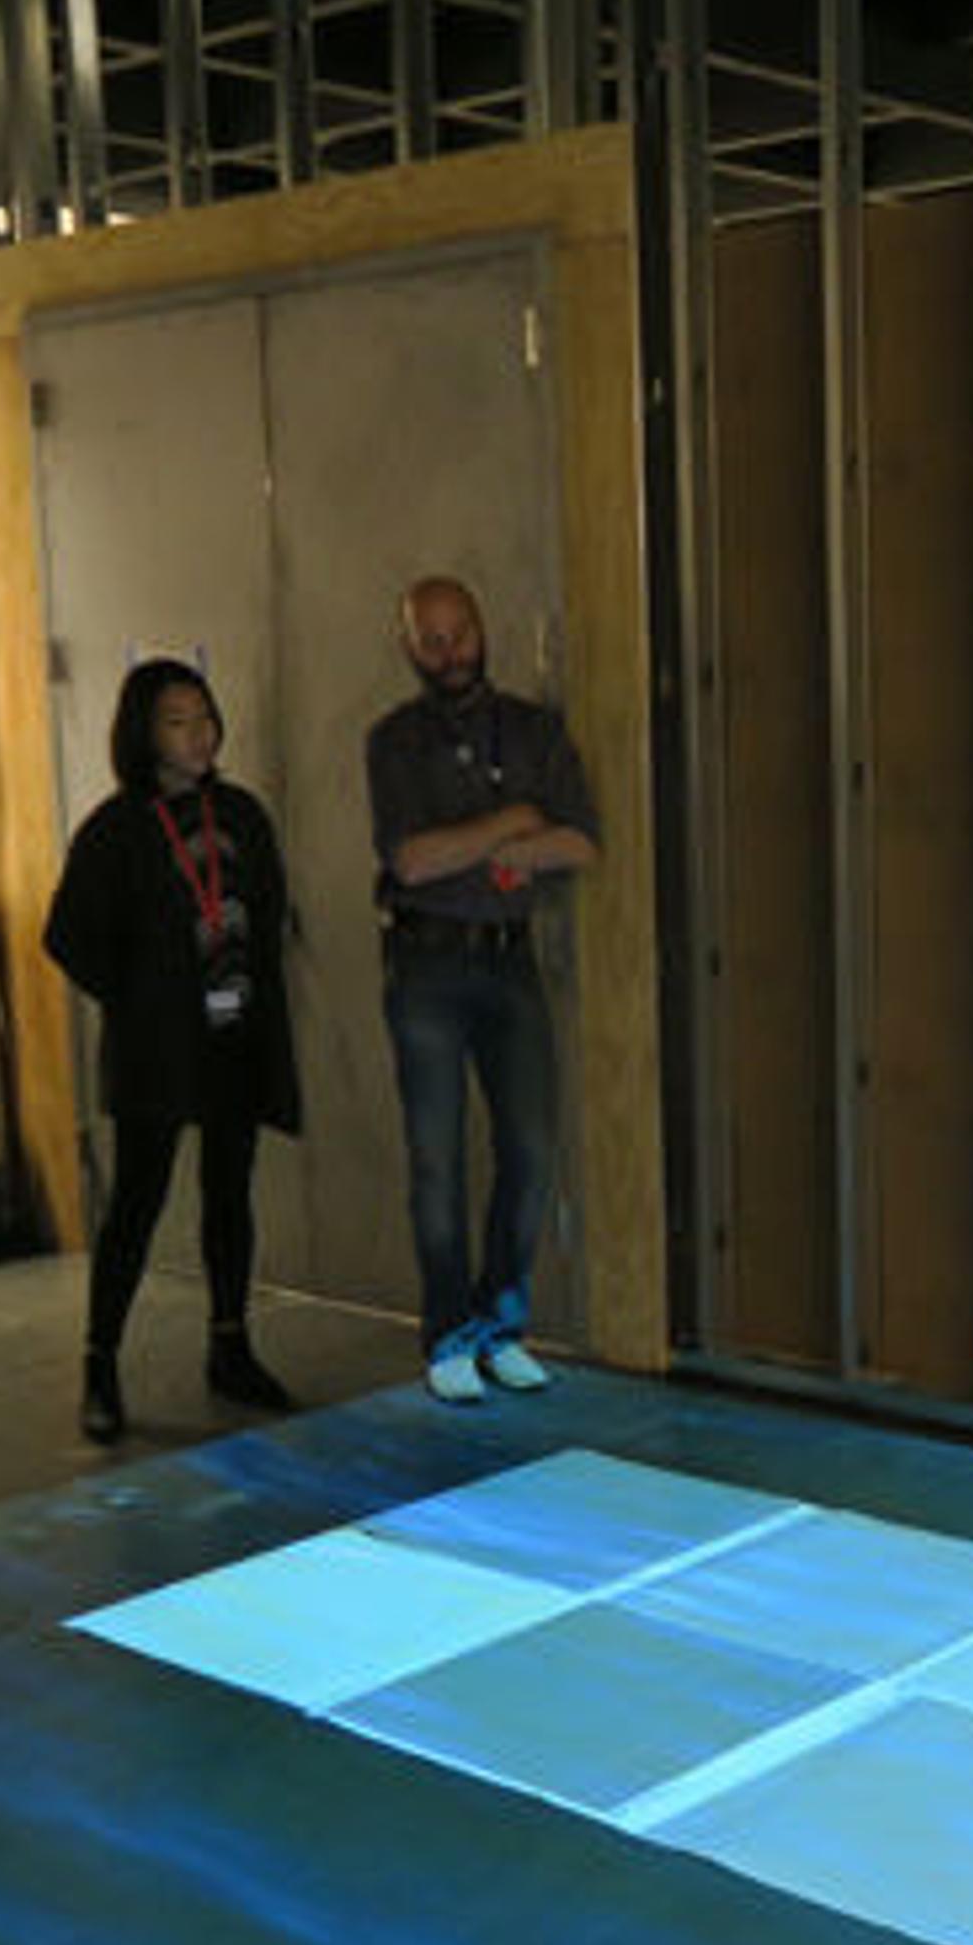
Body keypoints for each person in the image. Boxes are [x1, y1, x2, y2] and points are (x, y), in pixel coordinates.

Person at [47, 656, 304, 1439]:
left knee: (230, 1191)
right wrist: (140, 997)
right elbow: (68, 937)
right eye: (176, 721)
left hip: (234, 1036)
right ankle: (100, 1363)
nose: (197, 735)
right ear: (144, 733)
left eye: (204, 716)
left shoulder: (244, 813)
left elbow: (268, 908)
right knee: (138, 1200)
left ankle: (230, 1344)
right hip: (158, 1049)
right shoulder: (116, 828)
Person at [364, 575, 598, 1403]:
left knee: (532, 1151)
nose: (449, 652)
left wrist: (511, 846)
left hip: (510, 957)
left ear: (481, 628)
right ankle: (447, 1335)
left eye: (459, 632)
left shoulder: (534, 730)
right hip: (426, 964)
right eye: (429, 639)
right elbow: (413, 860)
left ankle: (501, 1323)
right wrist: (511, 822)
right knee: (437, 1162)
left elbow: (578, 842)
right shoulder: (393, 741)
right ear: (408, 647)